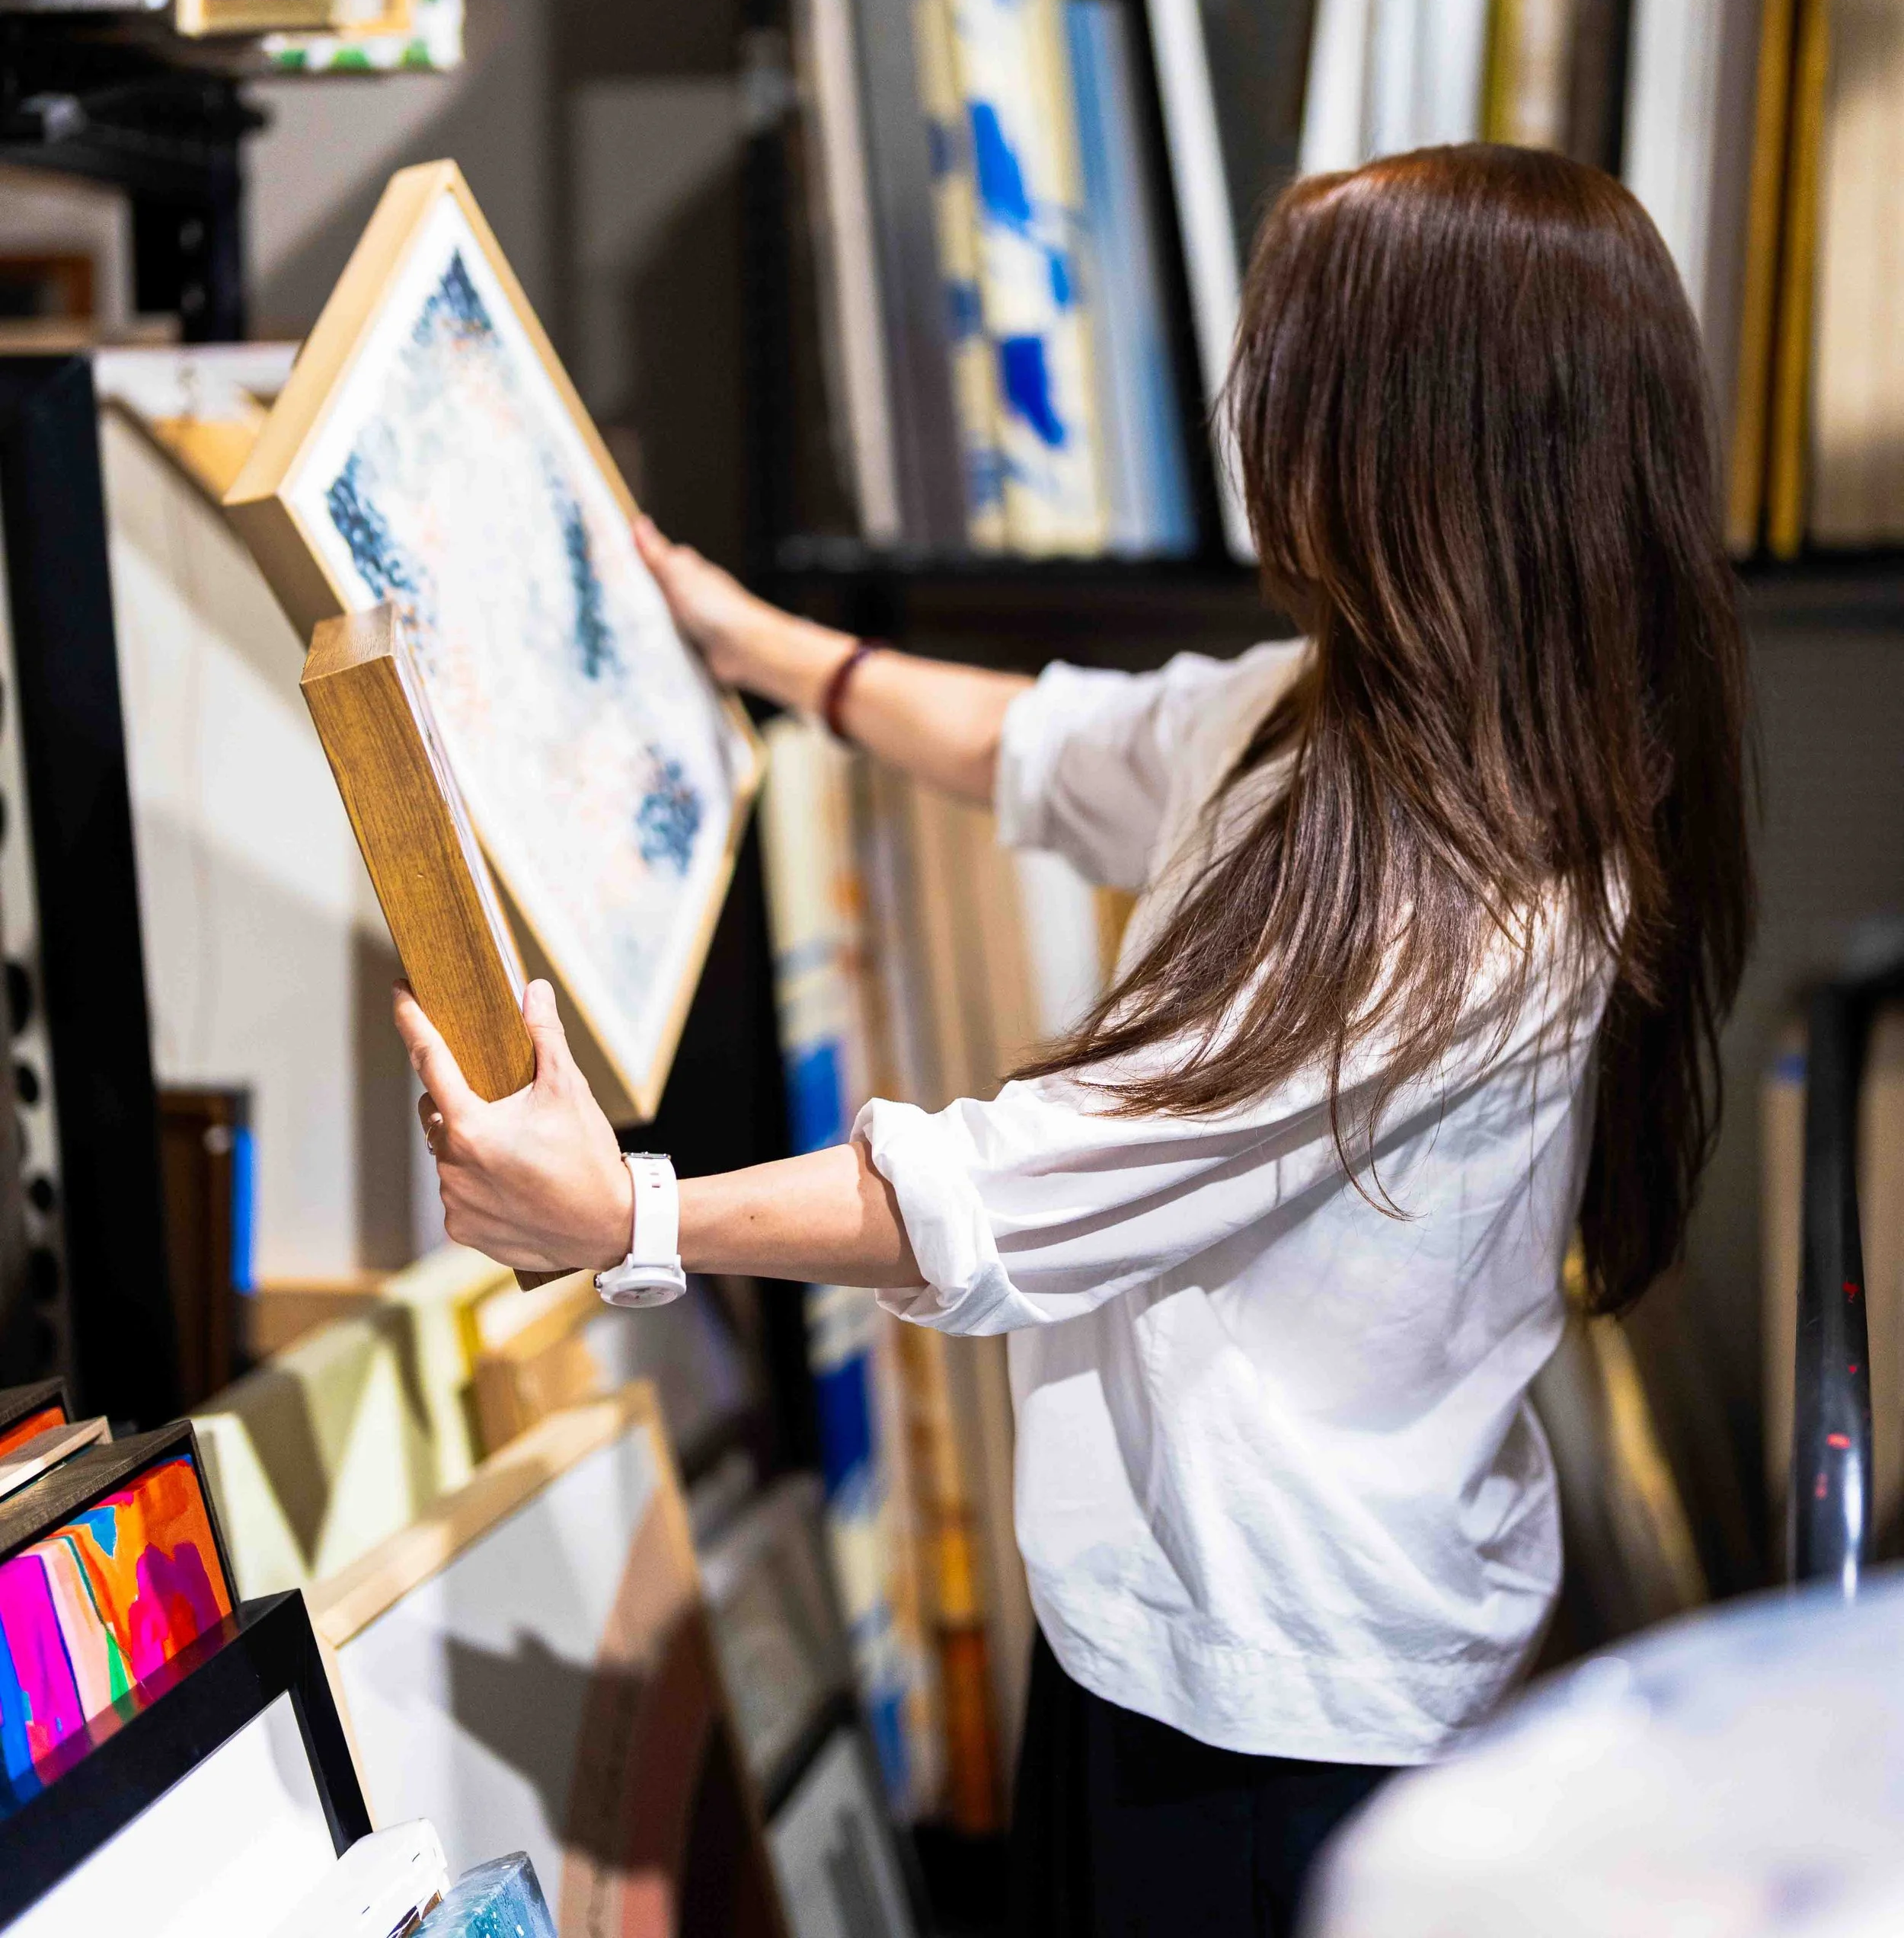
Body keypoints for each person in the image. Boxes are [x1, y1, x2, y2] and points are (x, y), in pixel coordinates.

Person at [395, 143, 1754, 1938]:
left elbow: (1010, 1194)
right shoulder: (1336, 709)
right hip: (1184, 1626)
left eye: (1287, 367)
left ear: (1414, 446)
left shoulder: (1458, 905)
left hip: (1275, 1706)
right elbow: (1058, 744)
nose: (1243, 404)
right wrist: (761, 646)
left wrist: (624, 1221)